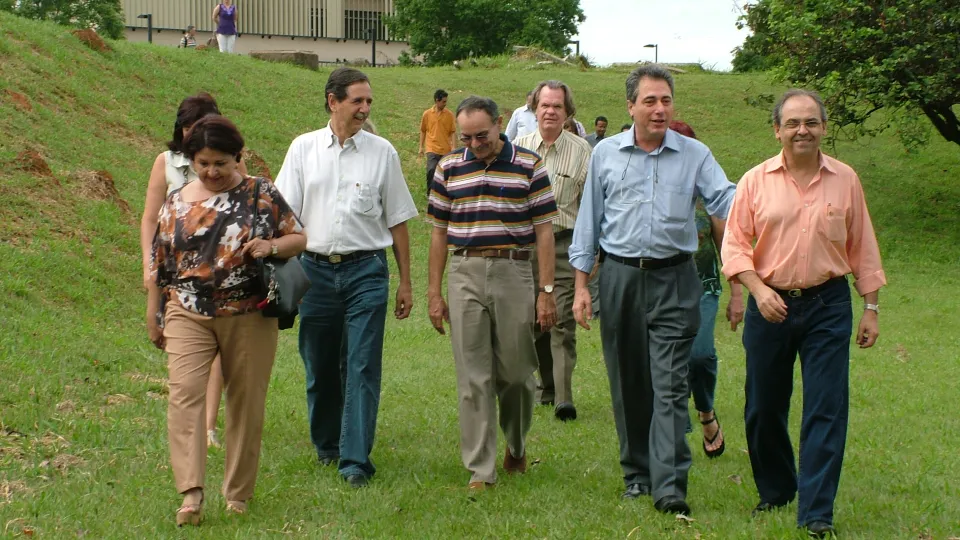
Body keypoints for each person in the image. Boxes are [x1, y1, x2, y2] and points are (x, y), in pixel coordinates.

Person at [569, 65, 736, 516]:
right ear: (631, 106)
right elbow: (589, 222)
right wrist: (582, 286)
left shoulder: (695, 154)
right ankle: (636, 475)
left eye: (665, 100)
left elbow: (726, 200)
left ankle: (670, 488)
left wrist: (770, 191)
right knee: (628, 384)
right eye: (649, 101)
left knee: (669, 385)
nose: (659, 109)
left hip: (675, 280)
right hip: (620, 278)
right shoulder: (604, 153)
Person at [721, 89, 886, 538]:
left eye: (811, 122)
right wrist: (756, 289)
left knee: (826, 407)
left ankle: (816, 512)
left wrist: (870, 306)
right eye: (793, 123)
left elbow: (862, 245)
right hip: (768, 304)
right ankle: (777, 490)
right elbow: (735, 244)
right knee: (762, 407)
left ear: (823, 128)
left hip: (828, 305)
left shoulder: (845, 179)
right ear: (777, 130)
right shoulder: (755, 181)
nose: (802, 131)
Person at [147, 115, 306, 526]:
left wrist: (270, 245)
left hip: (248, 312)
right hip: (187, 311)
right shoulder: (177, 200)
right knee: (184, 395)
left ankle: (237, 493)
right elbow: (160, 261)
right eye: (203, 163)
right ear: (191, 161)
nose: (212, 172)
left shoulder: (261, 193)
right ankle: (191, 495)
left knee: (246, 401)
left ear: (238, 158)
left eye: (221, 163)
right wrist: (155, 311)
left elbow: (298, 237)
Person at [274, 67, 418, 488]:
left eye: (368, 101)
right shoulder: (303, 149)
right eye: (357, 100)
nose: (365, 108)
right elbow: (284, 217)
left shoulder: (382, 152)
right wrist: (285, 276)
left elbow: (399, 222)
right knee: (319, 364)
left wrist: (405, 281)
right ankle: (327, 446)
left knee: (361, 365)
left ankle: (355, 460)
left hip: (367, 272)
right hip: (314, 271)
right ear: (332, 100)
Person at [427, 95, 558, 491]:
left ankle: (516, 444)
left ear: (500, 123)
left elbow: (544, 231)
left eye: (481, 135)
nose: (474, 143)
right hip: (464, 270)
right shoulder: (449, 168)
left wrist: (546, 290)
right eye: (466, 137)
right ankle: (481, 469)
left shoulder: (529, 165)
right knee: (473, 376)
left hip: (514, 270)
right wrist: (434, 292)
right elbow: (437, 233)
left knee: (517, 374)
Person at [140, 93, 250, 450]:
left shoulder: (231, 164)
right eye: (188, 127)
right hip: (176, 275)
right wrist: (148, 263)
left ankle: (208, 425)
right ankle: (188, 422)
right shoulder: (166, 162)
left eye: (200, 126)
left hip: (220, 282)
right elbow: (150, 218)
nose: (192, 133)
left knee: (217, 350)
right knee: (183, 351)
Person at [514, 80, 592, 421]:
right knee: (533, 318)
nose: (550, 111)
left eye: (557, 106)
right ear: (534, 108)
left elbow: (589, 206)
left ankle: (564, 398)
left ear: (567, 112)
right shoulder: (517, 147)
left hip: (565, 245)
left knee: (560, 319)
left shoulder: (582, 151)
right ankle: (542, 388)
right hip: (526, 247)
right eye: (544, 105)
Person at [668, 120, 744, 458]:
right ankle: (674, 422)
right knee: (669, 355)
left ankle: (706, 413)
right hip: (661, 288)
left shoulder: (708, 194)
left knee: (699, 355)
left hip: (704, 285)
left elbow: (727, 245)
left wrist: (737, 294)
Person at [419, 89, 457, 197]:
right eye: (443, 101)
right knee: (431, 169)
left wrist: (454, 147)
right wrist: (421, 147)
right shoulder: (427, 114)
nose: (445, 104)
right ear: (437, 100)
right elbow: (423, 130)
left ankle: (443, 193)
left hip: (445, 149)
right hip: (431, 148)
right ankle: (430, 193)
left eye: (446, 101)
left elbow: (453, 132)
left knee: (444, 173)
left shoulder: (449, 115)